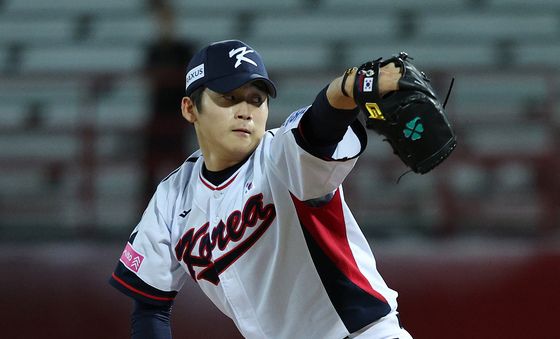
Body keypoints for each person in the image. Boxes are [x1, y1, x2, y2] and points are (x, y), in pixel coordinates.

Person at [110, 39, 413, 339]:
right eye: (229, 98)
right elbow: (150, 306)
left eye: (256, 99)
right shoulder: (172, 197)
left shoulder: (280, 154)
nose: (246, 111)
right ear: (190, 108)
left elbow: (319, 128)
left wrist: (347, 86)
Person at [142, 0, 195, 203]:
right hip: (157, 117)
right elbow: (148, 78)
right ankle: (147, 214)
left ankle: (184, 212)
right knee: (150, 170)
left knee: (182, 169)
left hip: (178, 119)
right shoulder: (153, 51)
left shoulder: (184, 50)